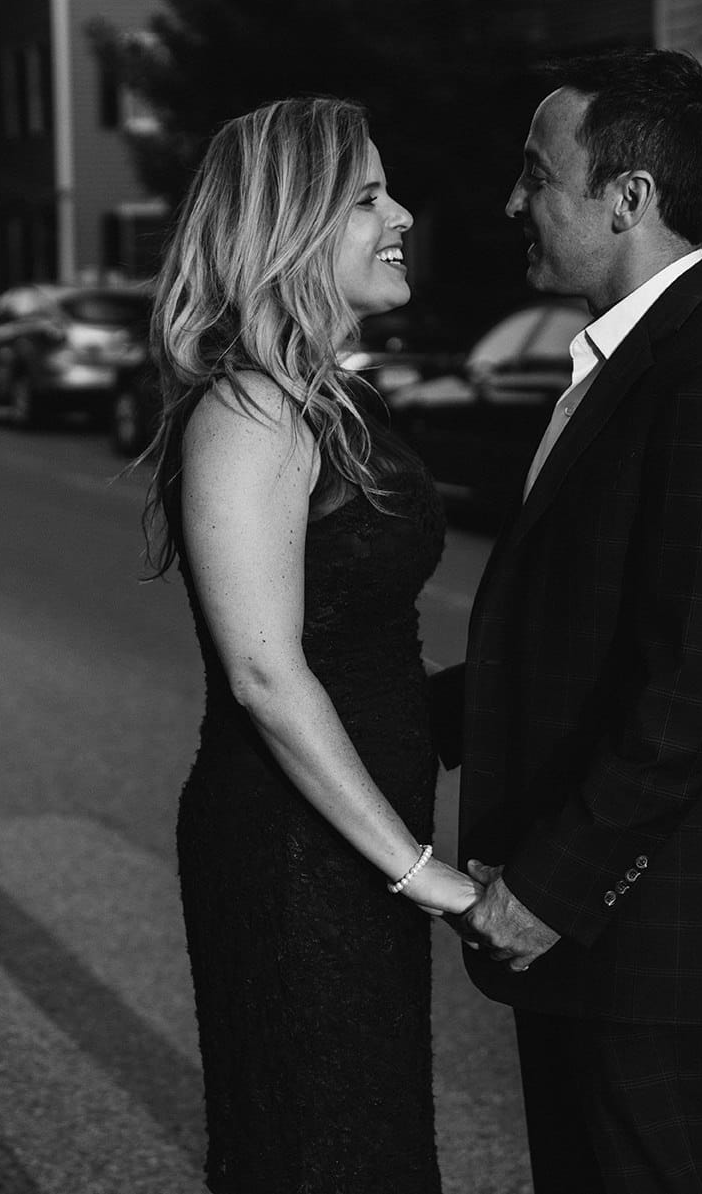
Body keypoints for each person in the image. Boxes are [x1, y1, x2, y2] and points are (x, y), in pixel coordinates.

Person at [430, 48, 702, 1192]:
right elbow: (582, 647)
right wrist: (391, 709)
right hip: (602, 940)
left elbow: (694, 682)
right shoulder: (625, 361)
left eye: (535, 174)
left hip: (655, 943)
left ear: (628, 198)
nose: (513, 202)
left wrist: (549, 889)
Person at [140, 96, 482, 1194]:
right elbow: (265, 672)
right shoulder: (251, 413)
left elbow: (364, 645)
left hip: (355, 837)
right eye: (369, 196)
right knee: (320, 1153)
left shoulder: (333, 401)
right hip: (295, 853)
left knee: (370, 1145)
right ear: (290, 226)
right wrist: (424, 872)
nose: (404, 214)